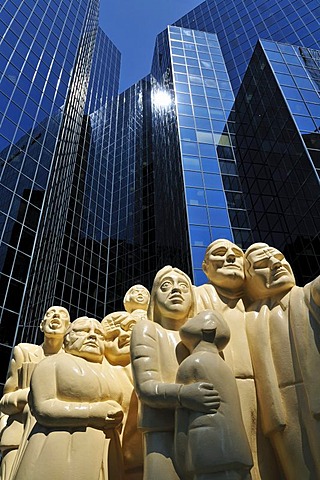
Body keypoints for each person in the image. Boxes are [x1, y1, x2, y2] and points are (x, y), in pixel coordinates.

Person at [194, 240, 278, 480]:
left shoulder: (260, 303)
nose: (230, 257)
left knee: (266, 460)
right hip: (218, 392)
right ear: (205, 267)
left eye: (236, 254)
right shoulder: (195, 297)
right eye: (220, 253)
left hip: (262, 390)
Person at [131, 266, 220, 480]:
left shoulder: (203, 338)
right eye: (165, 286)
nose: (176, 291)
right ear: (154, 299)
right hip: (162, 428)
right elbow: (145, 386)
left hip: (202, 425)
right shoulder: (147, 329)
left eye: (183, 287)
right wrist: (184, 395)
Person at [13, 317, 125, 480]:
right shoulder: (51, 364)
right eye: (84, 331)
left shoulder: (110, 372)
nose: (93, 336)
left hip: (105, 451)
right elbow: (42, 408)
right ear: (67, 338)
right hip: (59, 448)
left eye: (99, 334)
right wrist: (92, 412)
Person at [245, 243, 320, 479]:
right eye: (262, 264)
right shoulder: (248, 318)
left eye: (279, 257)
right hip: (280, 414)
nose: (276, 263)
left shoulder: (308, 295)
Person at [175, 310, 253, 480]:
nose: (188, 319)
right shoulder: (224, 367)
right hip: (238, 452)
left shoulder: (192, 363)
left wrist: (181, 456)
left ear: (208, 327)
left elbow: (182, 417)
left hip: (208, 453)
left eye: (196, 317)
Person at [0, 306, 70, 480]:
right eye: (50, 314)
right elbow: (4, 401)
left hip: (54, 437)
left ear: (69, 328)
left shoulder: (71, 362)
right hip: (18, 434)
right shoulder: (25, 352)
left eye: (62, 315)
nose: (55, 316)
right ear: (41, 325)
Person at [102, 312, 144, 480]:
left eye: (130, 329)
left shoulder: (151, 368)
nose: (123, 335)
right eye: (113, 334)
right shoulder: (99, 371)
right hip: (110, 462)